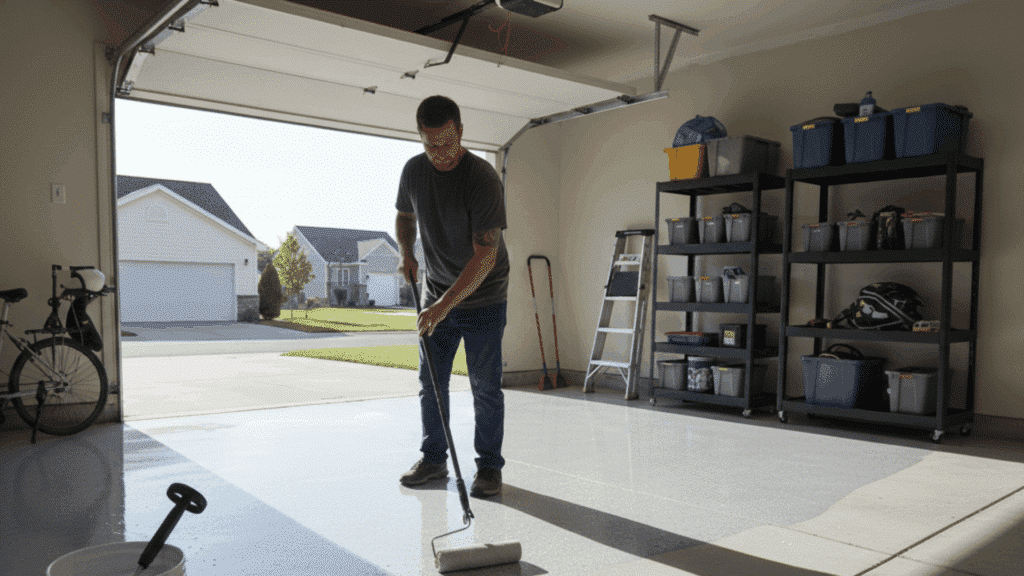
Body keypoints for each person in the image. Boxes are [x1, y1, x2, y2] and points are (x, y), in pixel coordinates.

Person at [395, 95, 510, 498]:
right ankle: (433, 459)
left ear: (460, 131)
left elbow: (485, 256)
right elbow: (404, 216)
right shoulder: (414, 171)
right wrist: (406, 252)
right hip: (436, 293)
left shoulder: (481, 179)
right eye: (430, 145)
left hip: (483, 298)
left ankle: (490, 469)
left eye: (446, 143)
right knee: (431, 383)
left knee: (484, 386)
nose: (439, 154)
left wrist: (443, 307)